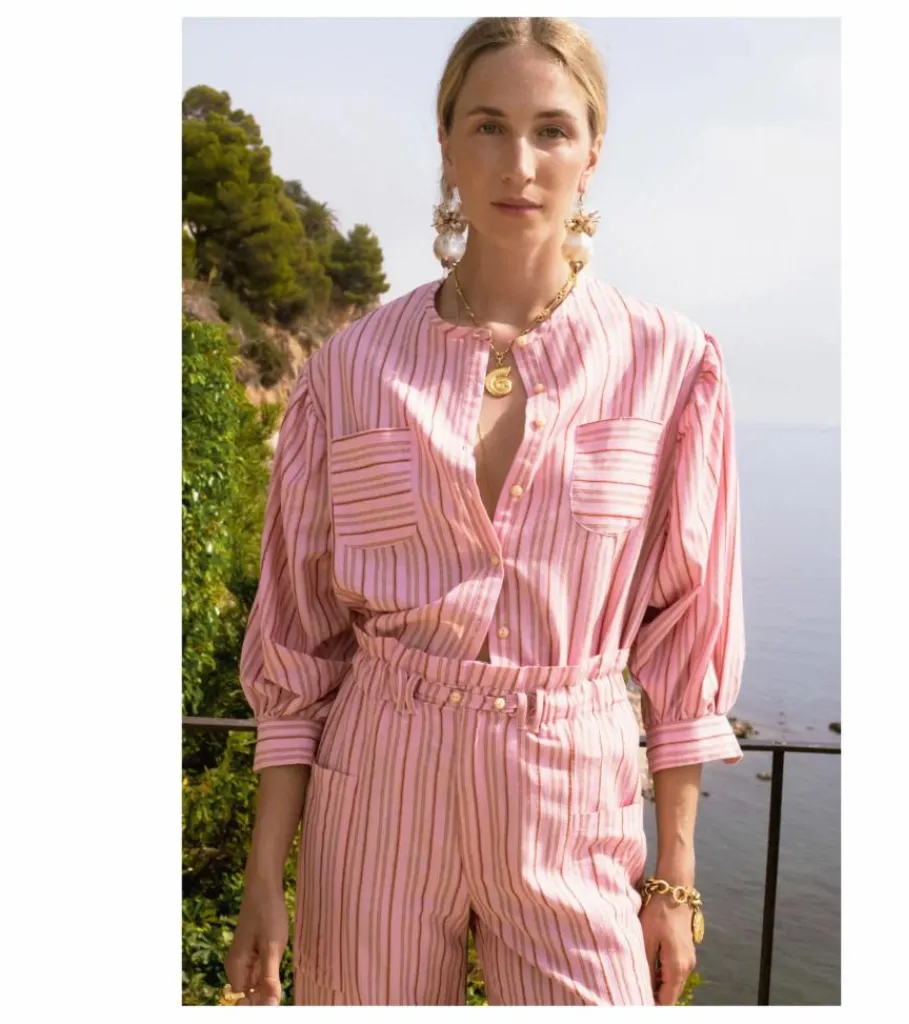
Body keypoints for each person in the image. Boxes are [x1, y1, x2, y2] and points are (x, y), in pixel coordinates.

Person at [223, 16, 745, 1008]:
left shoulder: (668, 363)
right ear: (445, 144)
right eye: (488, 126)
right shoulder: (351, 369)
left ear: (593, 151)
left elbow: (687, 631)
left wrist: (673, 879)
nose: (520, 163)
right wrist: (263, 882)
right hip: (378, 779)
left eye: (552, 130)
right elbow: (296, 640)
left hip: (573, 789)